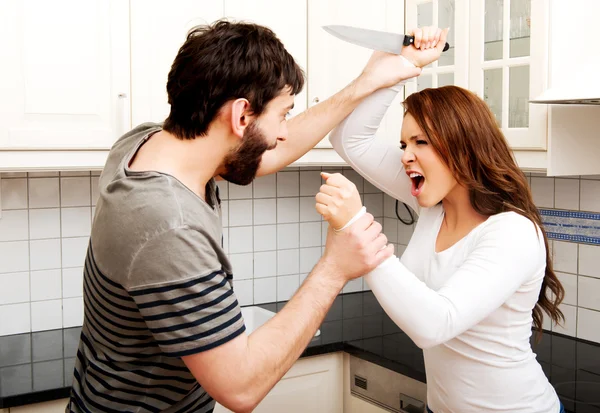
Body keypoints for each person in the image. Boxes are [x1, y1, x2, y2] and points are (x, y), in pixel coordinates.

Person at [65, 19, 444, 413]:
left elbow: (266, 151)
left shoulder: (146, 145)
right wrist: (335, 267)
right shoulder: (169, 226)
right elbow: (240, 388)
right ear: (241, 116)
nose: (283, 133)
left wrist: (368, 82)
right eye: (282, 115)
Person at [316, 28, 566, 413]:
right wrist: (402, 67)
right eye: (403, 144)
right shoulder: (434, 205)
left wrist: (356, 229)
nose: (405, 156)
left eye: (421, 142)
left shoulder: (512, 232)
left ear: (463, 148)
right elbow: (350, 140)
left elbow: (436, 323)